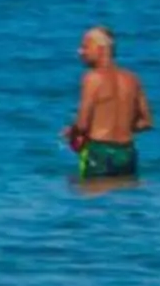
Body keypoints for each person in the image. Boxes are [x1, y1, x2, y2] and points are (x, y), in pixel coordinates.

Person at [62, 26, 153, 180]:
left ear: (101, 49)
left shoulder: (92, 78)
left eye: (85, 46)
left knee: (89, 196)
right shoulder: (132, 79)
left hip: (100, 152)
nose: (80, 51)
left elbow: (83, 124)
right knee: (123, 198)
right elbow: (147, 122)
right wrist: (121, 126)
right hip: (127, 153)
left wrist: (72, 132)